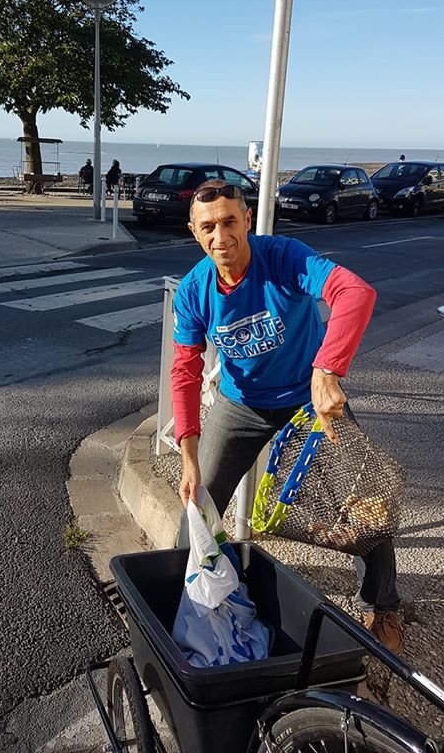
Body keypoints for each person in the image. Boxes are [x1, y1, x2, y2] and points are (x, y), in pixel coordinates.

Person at [171, 179, 403, 652]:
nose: (221, 237)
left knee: (362, 507)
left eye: (230, 222)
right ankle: (189, 601)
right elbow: (184, 371)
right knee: (197, 503)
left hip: (309, 400)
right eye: (209, 227)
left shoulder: (284, 256)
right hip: (241, 405)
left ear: (247, 220)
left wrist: (327, 368)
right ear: (195, 232)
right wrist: (188, 457)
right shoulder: (194, 291)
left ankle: (383, 607)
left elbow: (354, 293)